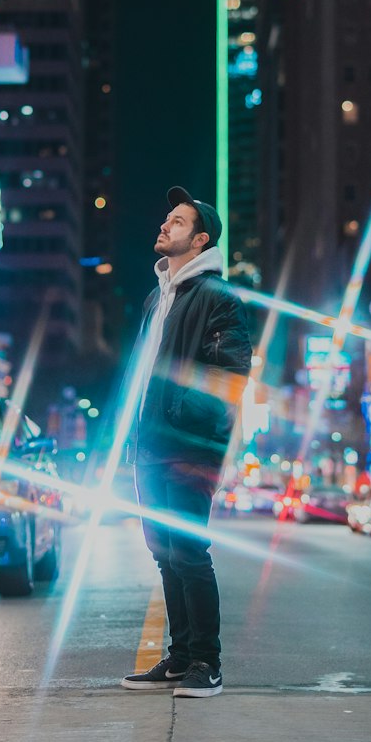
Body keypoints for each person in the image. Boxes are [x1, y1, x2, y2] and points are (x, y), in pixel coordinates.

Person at [120, 186, 252, 699]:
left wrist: (183, 427)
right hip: (149, 445)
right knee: (164, 552)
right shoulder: (160, 296)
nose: (164, 224)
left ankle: (207, 663)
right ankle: (179, 656)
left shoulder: (217, 298)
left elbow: (229, 379)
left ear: (199, 240)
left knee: (190, 552)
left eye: (176, 221)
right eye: (166, 217)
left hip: (188, 447)